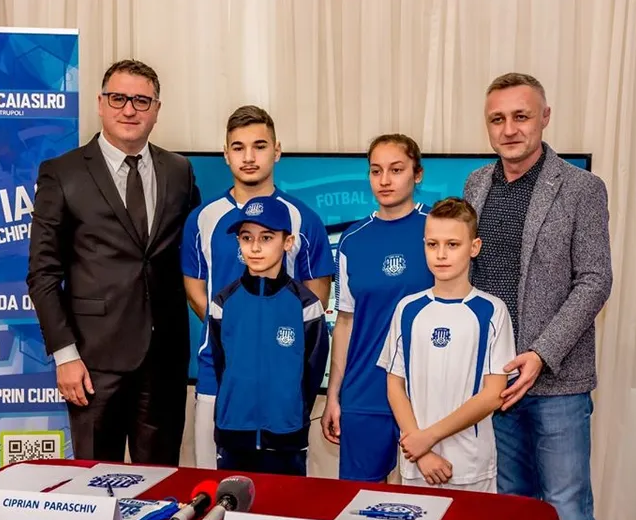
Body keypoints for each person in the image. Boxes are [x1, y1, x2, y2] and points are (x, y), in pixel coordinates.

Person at [464, 72, 612, 520]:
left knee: (569, 518)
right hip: (496, 384)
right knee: (513, 513)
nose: (509, 129)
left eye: (521, 116)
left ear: (545, 118)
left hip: (558, 385)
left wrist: (541, 354)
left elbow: (595, 280)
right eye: (497, 119)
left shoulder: (581, 188)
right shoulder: (476, 184)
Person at [27, 59, 200, 465]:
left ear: (156, 110)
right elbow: (43, 273)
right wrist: (65, 356)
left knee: (160, 482)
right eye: (119, 98)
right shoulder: (62, 173)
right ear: (101, 104)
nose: (129, 110)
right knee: (94, 482)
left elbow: (195, 255)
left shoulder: (180, 171)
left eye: (142, 101)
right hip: (92, 363)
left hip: (165, 360)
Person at [181, 105, 333, 469]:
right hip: (217, 378)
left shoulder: (304, 219)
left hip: (282, 385)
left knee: (282, 492)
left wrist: (273, 342)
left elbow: (317, 298)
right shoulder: (202, 219)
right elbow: (195, 290)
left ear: (277, 151)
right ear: (226, 154)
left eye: (260, 146)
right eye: (238, 147)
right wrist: (239, 335)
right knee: (217, 488)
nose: (249, 157)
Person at [377, 198, 517, 492]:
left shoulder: (492, 311)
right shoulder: (407, 309)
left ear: (474, 247)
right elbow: (394, 386)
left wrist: (427, 438)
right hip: (417, 464)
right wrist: (421, 451)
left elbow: (493, 394)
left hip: (471, 467)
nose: (441, 254)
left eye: (452, 244)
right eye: (432, 244)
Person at [320, 134, 433, 482]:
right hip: (365, 393)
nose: (384, 180)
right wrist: (334, 395)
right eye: (376, 170)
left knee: (430, 506)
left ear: (417, 174)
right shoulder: (352, 240)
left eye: (396, 170)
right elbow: (345, 322)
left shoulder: (438, 230)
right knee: (359, 503)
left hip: (427, 394)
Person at [207, 196, 329, 476]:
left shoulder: (306, 306)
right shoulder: (223, 303)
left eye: (266, 237)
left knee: (284, 503)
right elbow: (221, 364)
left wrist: (289, 412)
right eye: (246, 238)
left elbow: (312, 371)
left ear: (288, 242)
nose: (255, 247)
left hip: (286, 438)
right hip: (233, 434)